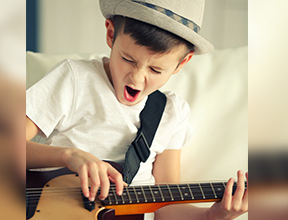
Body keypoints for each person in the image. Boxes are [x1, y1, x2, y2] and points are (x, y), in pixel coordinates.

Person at [26, 0, 248, 219]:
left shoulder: (171, 113)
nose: (136, 78)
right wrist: (69, 155)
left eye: (155, 69)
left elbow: (166, 208)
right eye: (127, 59)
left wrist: (213, 215)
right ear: (111, 34)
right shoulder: (74, 79)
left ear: (182, 63)